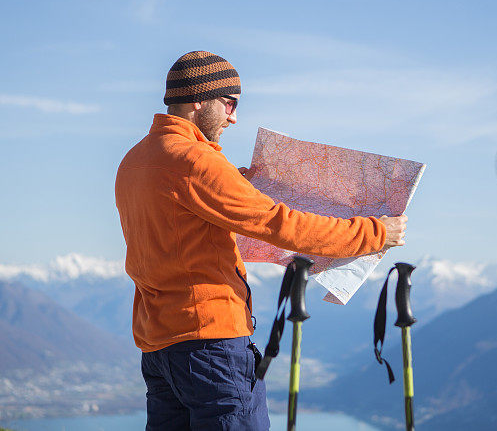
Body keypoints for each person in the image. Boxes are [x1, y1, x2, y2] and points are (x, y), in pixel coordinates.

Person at [115, 51, 408, 431]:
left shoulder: (135, 161)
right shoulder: (195, 161)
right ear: (198, 99)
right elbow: (277, 224)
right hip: (210, 344)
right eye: (230, 103)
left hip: (158, 346)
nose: (234, 117)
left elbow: (177, 229)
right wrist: (374, 233)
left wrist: (235, 183)